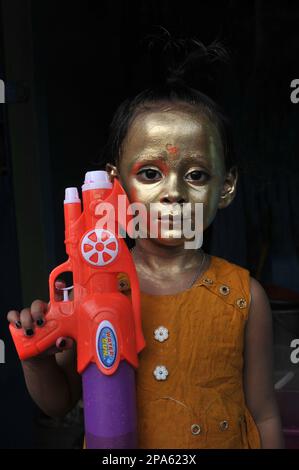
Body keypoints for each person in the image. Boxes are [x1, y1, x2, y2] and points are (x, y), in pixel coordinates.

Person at [7, 41, 284, 449]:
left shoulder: (245, 296)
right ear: (114, 185)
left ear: (226, 186)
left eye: (196, 175)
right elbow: (60, 402)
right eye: (151, 173)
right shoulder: (89, 286)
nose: (173, 193)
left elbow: (264, 413)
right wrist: (37, 359)